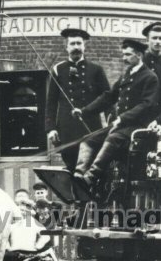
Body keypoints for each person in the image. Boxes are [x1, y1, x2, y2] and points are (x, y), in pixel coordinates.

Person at [73, 39, 159, 190]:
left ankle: (91, 177)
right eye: (123, 54)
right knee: (88, 139)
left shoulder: (149, 77)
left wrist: (123, 118)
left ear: (138, 55)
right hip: (121, 125)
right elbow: (109, 96)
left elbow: (147, 104)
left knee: (113, 138)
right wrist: (84, 111)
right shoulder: (127, 74)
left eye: (127, 55)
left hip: (136, 127)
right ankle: (79, 175)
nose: (124, 58)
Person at [45, 28, 111, 171]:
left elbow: (108, 99)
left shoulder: (96, 70)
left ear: (84, 46)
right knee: (71, 169)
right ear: (66, 47)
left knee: (90, 170)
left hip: (91, 129)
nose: (76, 47)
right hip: (67, 130)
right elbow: (51, 102)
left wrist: (112, 124)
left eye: (79, 43)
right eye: (73, 43)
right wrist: (51, 129)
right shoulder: (58, 69)